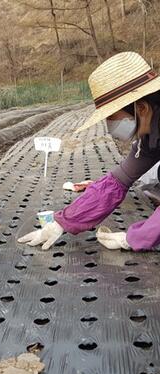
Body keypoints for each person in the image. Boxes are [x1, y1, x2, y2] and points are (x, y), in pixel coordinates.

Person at [18, 52, 160, 252]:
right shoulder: (149, 138)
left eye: (113, 117)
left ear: (142, 109)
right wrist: (62, 222)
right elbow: (115, 184)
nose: (111, 125)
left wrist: (137, 237)